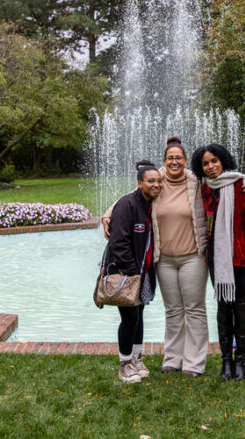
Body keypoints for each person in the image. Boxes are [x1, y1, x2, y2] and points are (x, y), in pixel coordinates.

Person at [102, 137, 245, 377]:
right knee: (173, 309)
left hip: (193, 256)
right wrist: (108, 213)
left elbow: (225, 181)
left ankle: (194, 362)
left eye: (179, 157)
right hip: (163, 258)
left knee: (194, 308)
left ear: (186, 161)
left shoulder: (198, 181)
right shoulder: (157, 181)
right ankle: (173, 358)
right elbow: (132, 196)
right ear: (164, 161)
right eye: (170, 158)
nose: (175, 161)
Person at [191, 143, 245, 381]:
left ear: (223, 160)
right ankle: (226, 360)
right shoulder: (202, 188)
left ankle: (240, 360)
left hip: (243, 257)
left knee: (241, 306)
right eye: (205, 163)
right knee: (224, 307)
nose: (211, 166)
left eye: (214, 161)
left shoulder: (241, 184)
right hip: (217, 259)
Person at [106, 160, 161, 383]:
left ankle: (137, 358)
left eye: (158, 181)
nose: (156, 184)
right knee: (129, 318)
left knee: (139, 316)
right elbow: (118, 243)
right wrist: (131, 272)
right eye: (151, 181)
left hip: (145, 272)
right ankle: (125, 364)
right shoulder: (127, 205)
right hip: (128, 275)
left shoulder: (151, 205)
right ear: (139, 183)